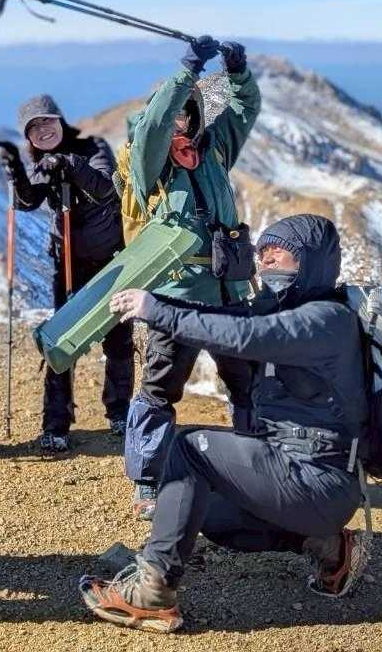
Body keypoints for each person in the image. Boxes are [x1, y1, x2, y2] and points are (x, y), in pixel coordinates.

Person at [80, 213, 370, 633]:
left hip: (318, 480)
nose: (267, 262)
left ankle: (153, 592)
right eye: (263, 253)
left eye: (281, 254)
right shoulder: (286, 311)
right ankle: (327, 546)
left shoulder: (325, 320)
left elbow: (242, 336)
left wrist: (158, 310)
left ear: (312, 262)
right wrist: (160, 307)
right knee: (206, 513)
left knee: (188, 448)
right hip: (299, 475)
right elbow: (224, 320)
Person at [122, 37, 260, 519]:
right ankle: (148, 479)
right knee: (161, 385)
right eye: (175, 112)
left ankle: (258, 467)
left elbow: (244, 109)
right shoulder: (149, 161)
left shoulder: (214, 149)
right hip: (176, 294)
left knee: (247, 382)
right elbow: (155, 124)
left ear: (198, 116)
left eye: (188, 111)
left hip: (228, 288)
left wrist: (238, 71)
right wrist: (186, 72)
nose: (180, 119)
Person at [0, 94, 135, 456]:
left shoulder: (92, 147)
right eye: (33, 127)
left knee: (118, 340)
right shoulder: (43, 162)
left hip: (112, 261)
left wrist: (69, 163)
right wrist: (15, 170)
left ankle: (120, 412)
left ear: (60, 120)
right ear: (28, 137)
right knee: (62, 341)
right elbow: (27, 201)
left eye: (47, 121)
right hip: (67, 261)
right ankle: (55, 423)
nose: (43, 130)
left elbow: (106, 189)